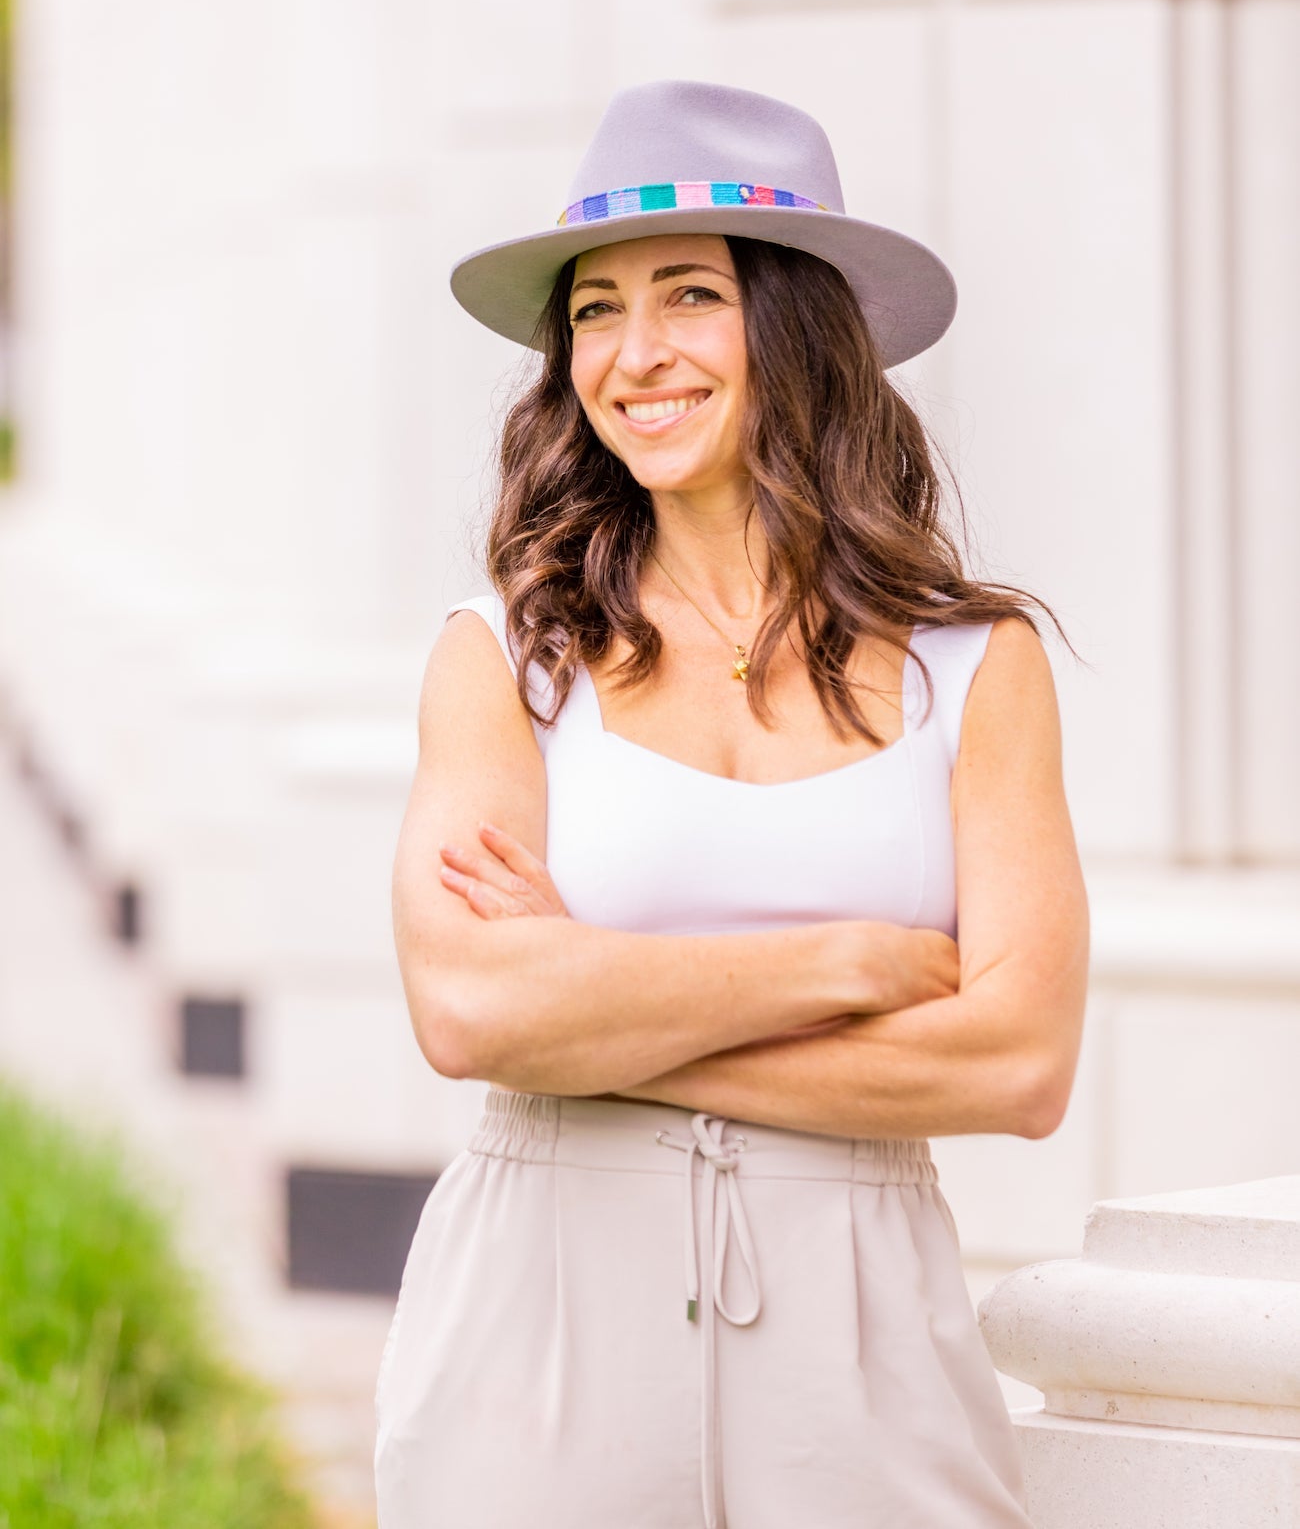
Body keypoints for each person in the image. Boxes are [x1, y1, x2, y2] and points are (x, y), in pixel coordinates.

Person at [374, 79, 1090, 1528]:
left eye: (689, 296)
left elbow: (1018, 1061)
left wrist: (601, 1017)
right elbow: (467, 1011)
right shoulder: (505, 659)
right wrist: (841, 963)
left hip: (865, 1334)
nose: (633, 356)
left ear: (794, 324)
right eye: (594, 310)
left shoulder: (975, 667)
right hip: (540, 1327)